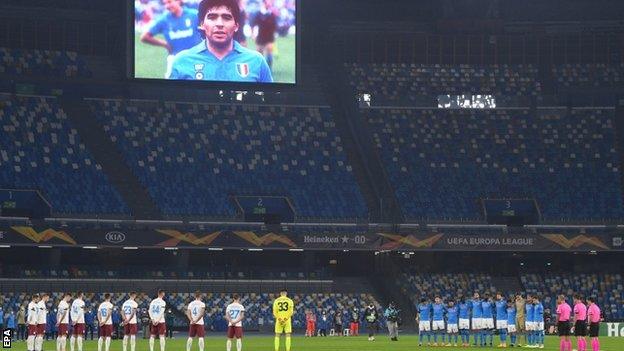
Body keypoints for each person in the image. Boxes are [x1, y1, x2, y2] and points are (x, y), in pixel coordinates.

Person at [169, 0, 273, 82]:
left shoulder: (257, 61)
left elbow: (270, 103)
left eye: (226, 17)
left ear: (236, 26)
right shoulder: (182, 61)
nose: (219, 24)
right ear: (202, 24)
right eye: (212, 17)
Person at [140, 0, 202, 78]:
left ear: (178, 1)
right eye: (165, 3)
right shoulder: (164, 20)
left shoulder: (194, 15)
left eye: (169, 2)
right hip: (175, 59)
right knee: (171, 87)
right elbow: (144, 37)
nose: (167, 6)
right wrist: (165, 44)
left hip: (196, 58)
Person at [251, 0, 277, 68]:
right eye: (269, 2)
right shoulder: (258, 13)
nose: (270, 3)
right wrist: (253, 34)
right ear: (264, 3)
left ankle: (269, 69)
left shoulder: (272, 14)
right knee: (259, 55)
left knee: (269, 54)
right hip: (260, 36)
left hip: (269, 37)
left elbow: (274, 26)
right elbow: (253, 24)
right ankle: (261, 69)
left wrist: (274, 34)